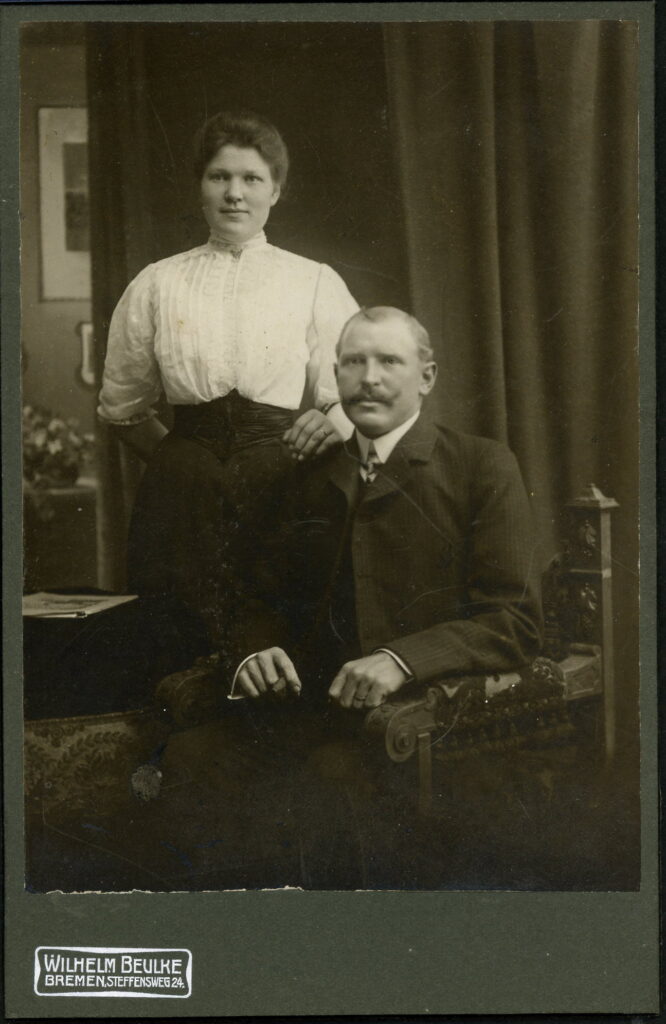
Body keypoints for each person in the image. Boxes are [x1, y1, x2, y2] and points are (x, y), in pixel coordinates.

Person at [97, 110, 358, 653]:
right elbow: (122, 408)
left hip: (284, 486)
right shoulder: (157, 283)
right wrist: (182, 460)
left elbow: (354, 393)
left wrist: (330, 423)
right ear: (200, 186)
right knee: (176, 642)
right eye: (219, 177)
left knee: (283, 640)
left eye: (251, 179)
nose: (234, 193)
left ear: (276, 191)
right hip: (180, 495)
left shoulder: (313, 280)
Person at [231, 305, 543, 710]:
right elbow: (258, 601)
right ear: (336, 373)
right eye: (354, 362)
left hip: (422, 714)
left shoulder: (481, 465)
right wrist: (256, 653)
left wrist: (402, 661)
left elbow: (514, 623)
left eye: (389, 361)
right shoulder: (306, 473)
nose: (369, 379)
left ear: (426, 378)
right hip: (310, 710)